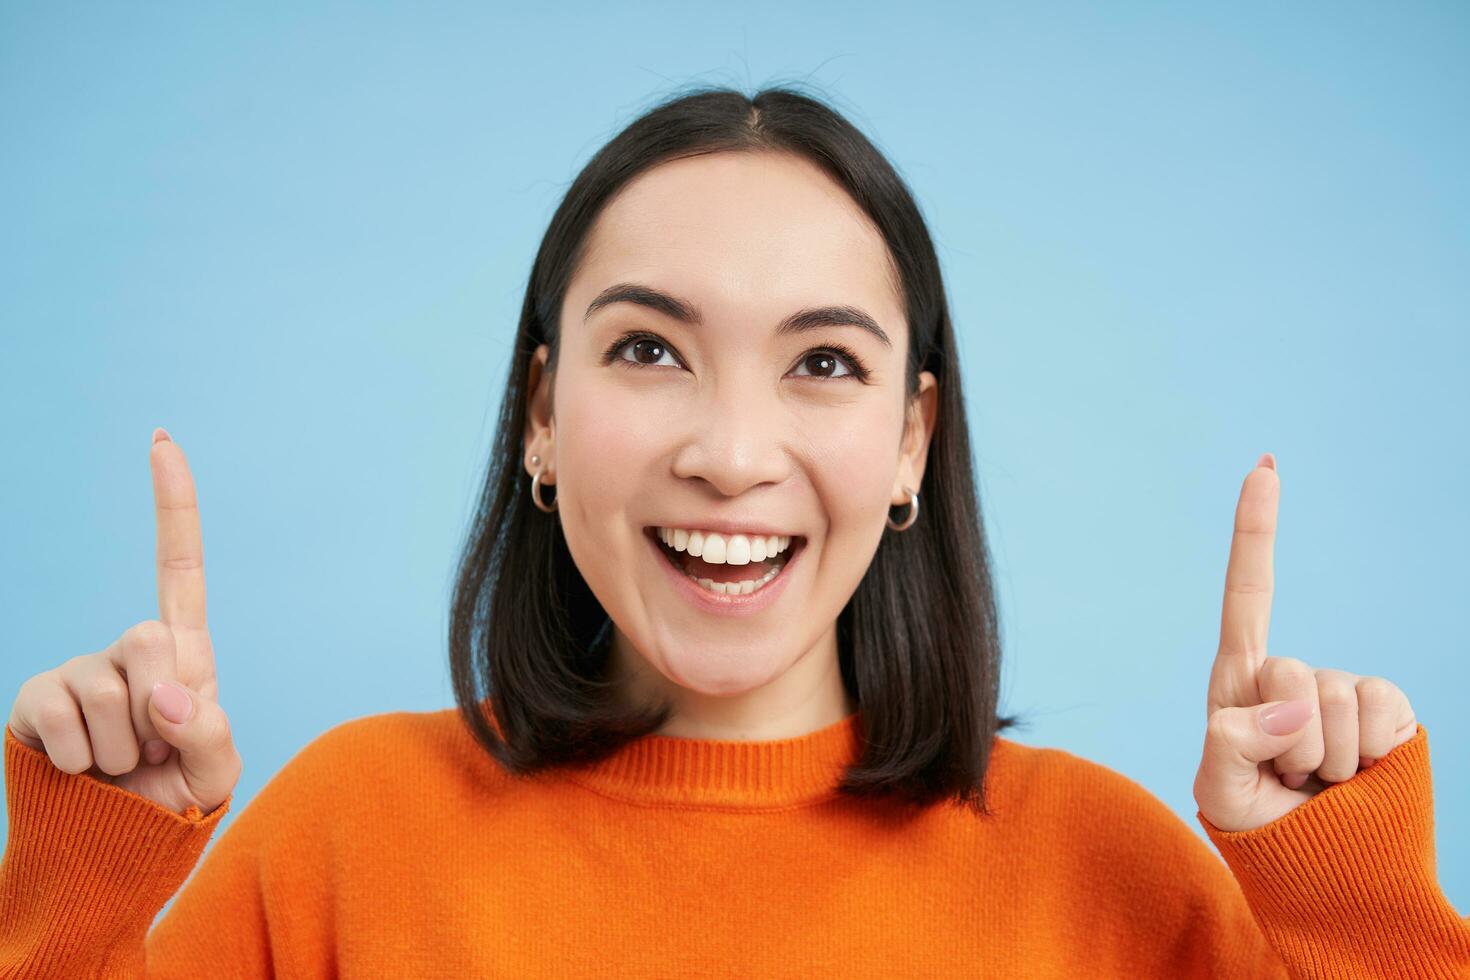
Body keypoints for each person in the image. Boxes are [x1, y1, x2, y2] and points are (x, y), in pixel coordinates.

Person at [3, 85, 1465, 978]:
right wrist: (85, 877)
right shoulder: (340, 839)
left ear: (910, 439)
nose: (728, 451)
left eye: (823, 362)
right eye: (648, 350)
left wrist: (1352, 911)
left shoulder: (1110, 875)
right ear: (538, 414)